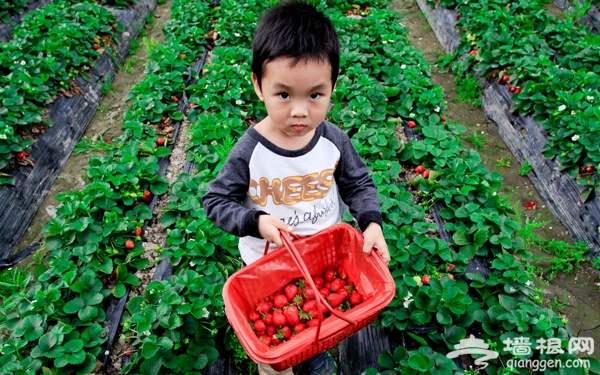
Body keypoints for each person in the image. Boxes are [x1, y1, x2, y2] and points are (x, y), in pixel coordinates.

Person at [202, 1, 390, 374]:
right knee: (276, 343)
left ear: (333, 86)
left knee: (316, 320)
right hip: (267, 265)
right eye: (284, 95)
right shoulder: (250, 150)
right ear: (258, 86)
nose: (300, 111)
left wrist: (370, 222)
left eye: (315, 95)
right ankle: (279, 363)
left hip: (322, 262)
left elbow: (358, 181)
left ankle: (314, 350)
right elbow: (215, 200)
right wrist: (256, 222)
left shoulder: (332, 140)